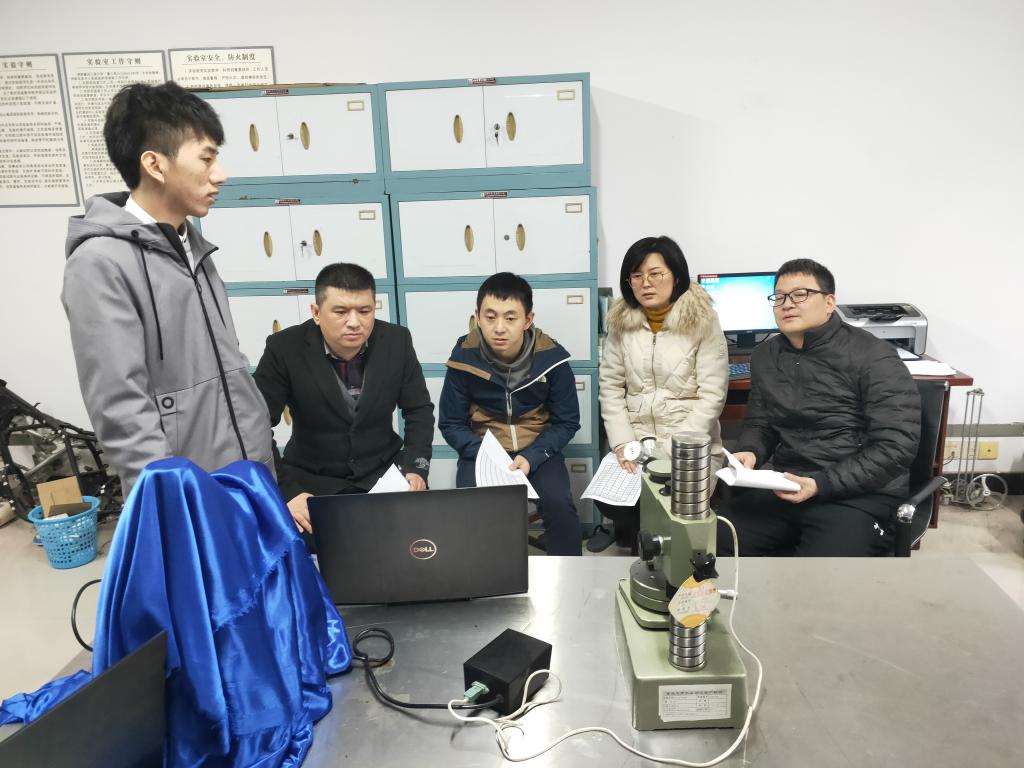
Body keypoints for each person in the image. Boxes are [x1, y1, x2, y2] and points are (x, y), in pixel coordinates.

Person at [62, 81, 274, 495]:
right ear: (155, 165)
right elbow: (122, 408)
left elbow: (227, 366)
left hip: (245, 475)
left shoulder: (192, 245)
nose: (220, 174)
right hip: (184, 492)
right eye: (206, 158)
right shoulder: (99, 263)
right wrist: (172, 496)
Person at [718, 258, 921, 557]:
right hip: (786, 483)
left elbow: (897, 445)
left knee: (820, 576)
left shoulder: (873, 355)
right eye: (780, 297)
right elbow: (761, 422)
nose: (787, 304)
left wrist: (821, 483)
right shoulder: (765, 355)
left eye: (800, 294)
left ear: (829, 302)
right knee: (712, 544)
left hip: (857, 494)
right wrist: (751, 450)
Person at [254, 262, 433, 536]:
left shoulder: (396, 341)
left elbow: (418, 409)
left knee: (415, 541)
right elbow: (256, 426)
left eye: (365, 311)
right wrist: (287, 491)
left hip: (383, 473)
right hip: (312, 480)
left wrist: (416, 467)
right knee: (310, 547)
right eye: (340, 312)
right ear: (316, 312)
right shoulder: (284, 348)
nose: (354, 322)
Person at [593, 236, 729, 553]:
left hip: (689, 448)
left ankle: (678, 564)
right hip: (637, 443)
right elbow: (610, 387)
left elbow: (712, 396)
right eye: (637, 275)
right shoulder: (621, 324)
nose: (646, 283)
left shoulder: (703, 320)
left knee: (673, 519)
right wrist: (623, 444)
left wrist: (667, 452)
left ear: (676, 276)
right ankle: (642, 555)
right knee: (612, 501)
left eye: (656, 273)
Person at [438, 273, 582, 556]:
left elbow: (567, 422)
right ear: (477, 317)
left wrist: (533, 456)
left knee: (559, 505)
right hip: (482, 450)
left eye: (510, 318)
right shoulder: (462, 360)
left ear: (528, 320)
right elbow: (451, 423)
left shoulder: (553, 359)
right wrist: (488, 455)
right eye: (490, 317)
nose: (499, 328)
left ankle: (570, 574)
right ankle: (481, 575)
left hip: (537, 450)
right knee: (468, 509)